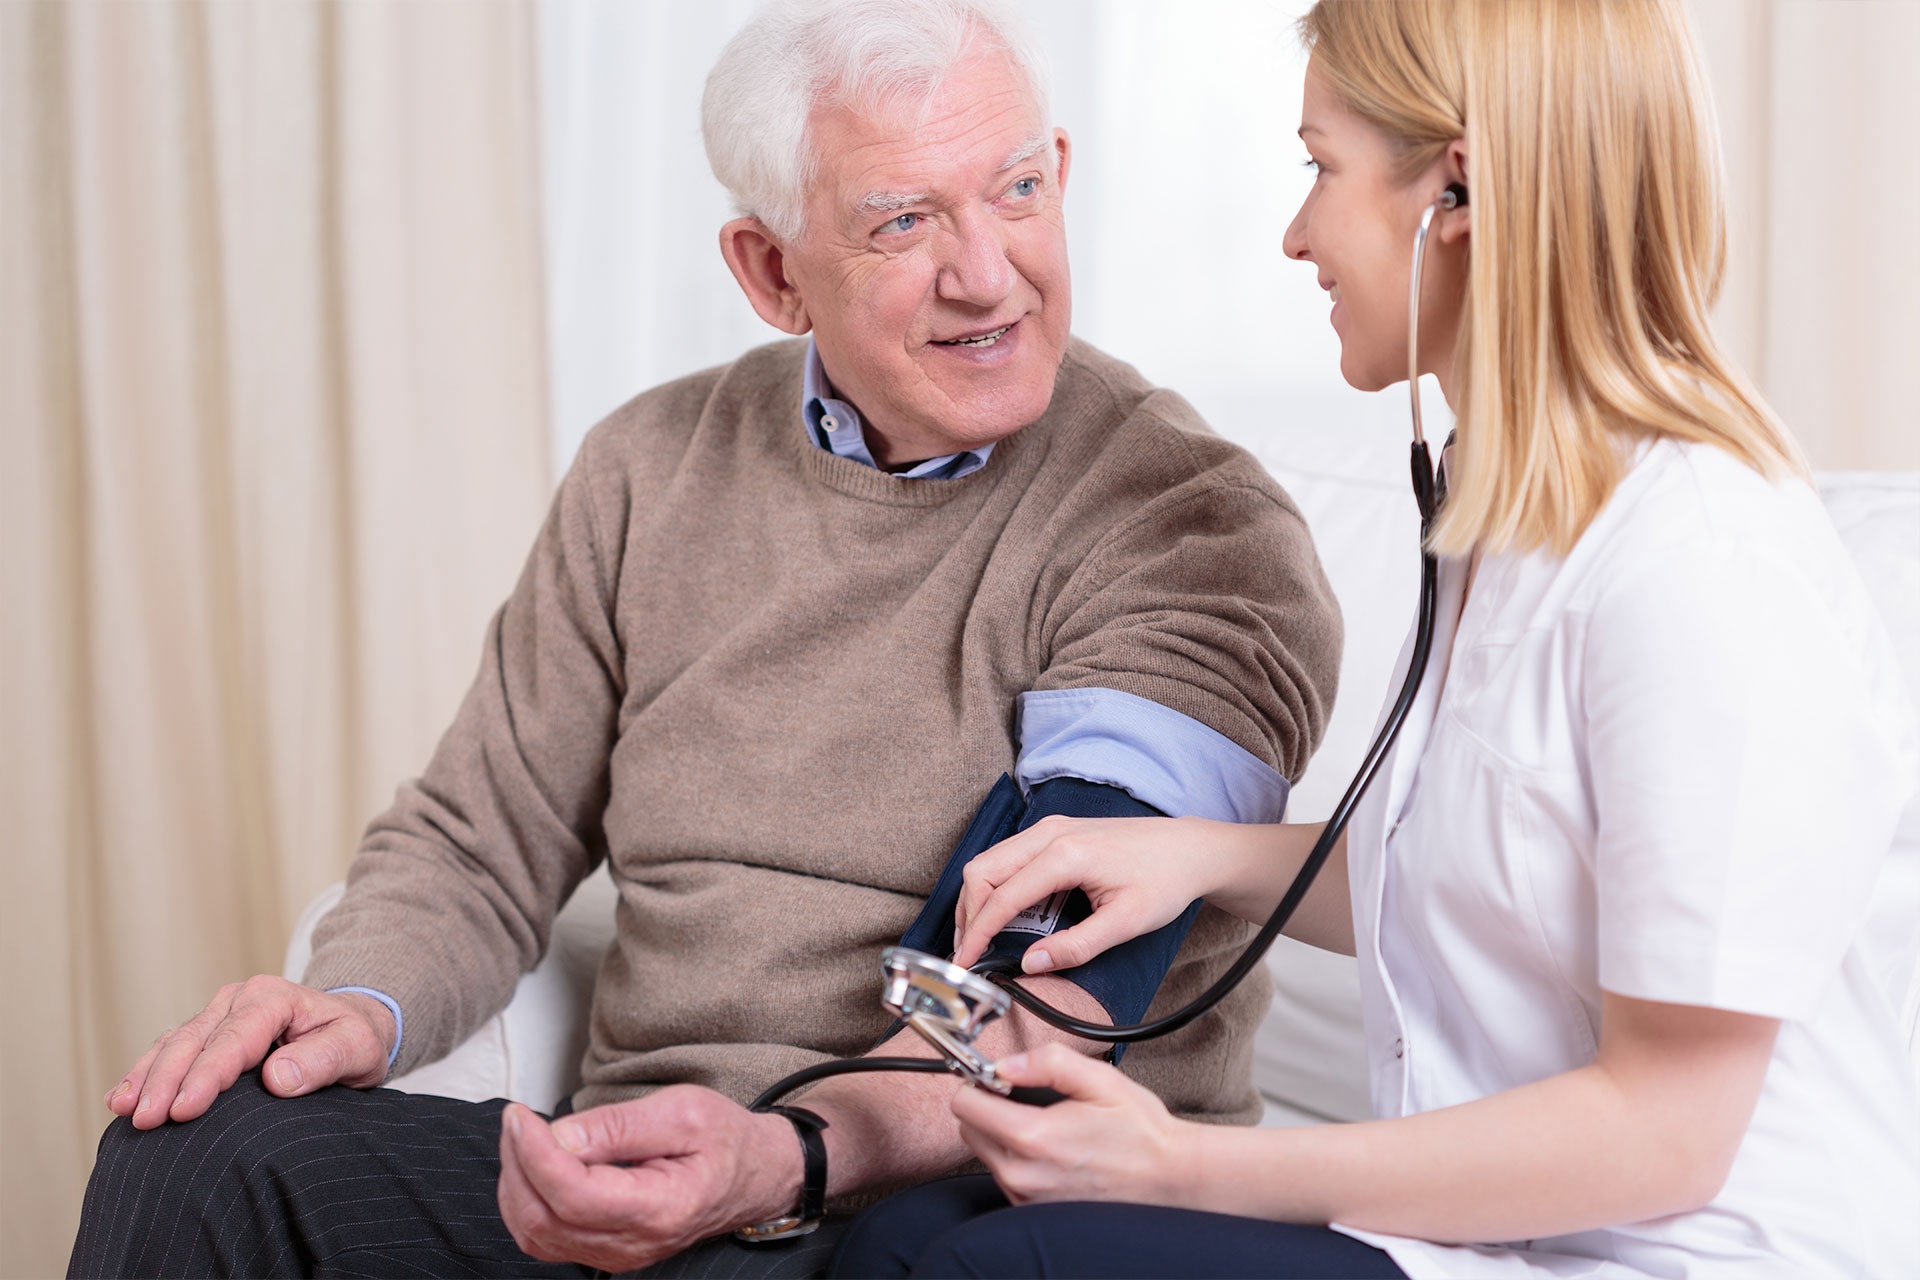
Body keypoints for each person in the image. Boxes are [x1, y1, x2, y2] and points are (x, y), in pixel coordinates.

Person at [65, 2, 1343, 1277]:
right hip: (642, 1175)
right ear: (771, 271)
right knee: (189, 1150)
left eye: (1014, 191)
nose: (987, 273)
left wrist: (775, 1153)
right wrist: (353, 1006)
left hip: (953, 1205)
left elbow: (1041, 997)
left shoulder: (1183, 524)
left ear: (1059, 173)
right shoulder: (648, 468)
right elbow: (478, 834)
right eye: (902, 220)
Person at [830, 1, 1920, 1277]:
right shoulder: (1507, 510)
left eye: (1321, 167)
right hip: (1503, 1237)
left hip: (1675, 1254)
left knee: (976, 1267)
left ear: (1454, 188)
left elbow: (1671, 1131)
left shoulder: (1700, 567)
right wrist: (1197, 854)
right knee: (915, 1226)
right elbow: (1486, 873)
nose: (1297, 235)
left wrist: (1188, 1165)